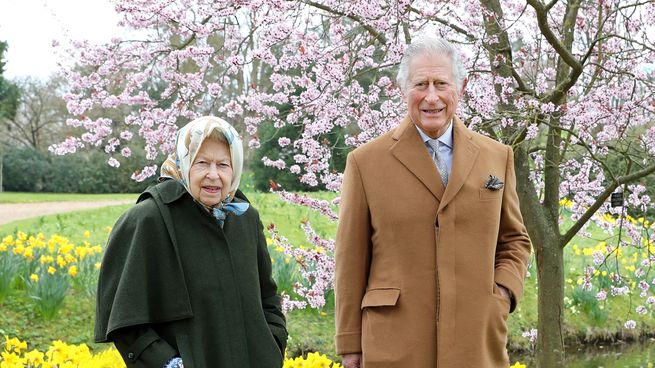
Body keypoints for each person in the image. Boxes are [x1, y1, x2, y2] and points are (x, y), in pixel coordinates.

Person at [334, 36, 532, 367]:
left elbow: (514, 240)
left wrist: (502, 292)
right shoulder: (365, 163)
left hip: (476, 339)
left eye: (441, 83)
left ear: (461, 87)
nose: (431, 96)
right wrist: (349, 343)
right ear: (402, 89)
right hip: (394, 343)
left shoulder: (498, 157)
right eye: (420, 84)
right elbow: (350, 258)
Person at [95, 116, 287, 368]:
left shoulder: (244, 217)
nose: (213, 175)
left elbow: (267, 296)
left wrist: (273, 340)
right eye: (202, 163)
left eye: (223, 164)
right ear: (184, 163)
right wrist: (168, 363)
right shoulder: (149, 218)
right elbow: (124, 318)